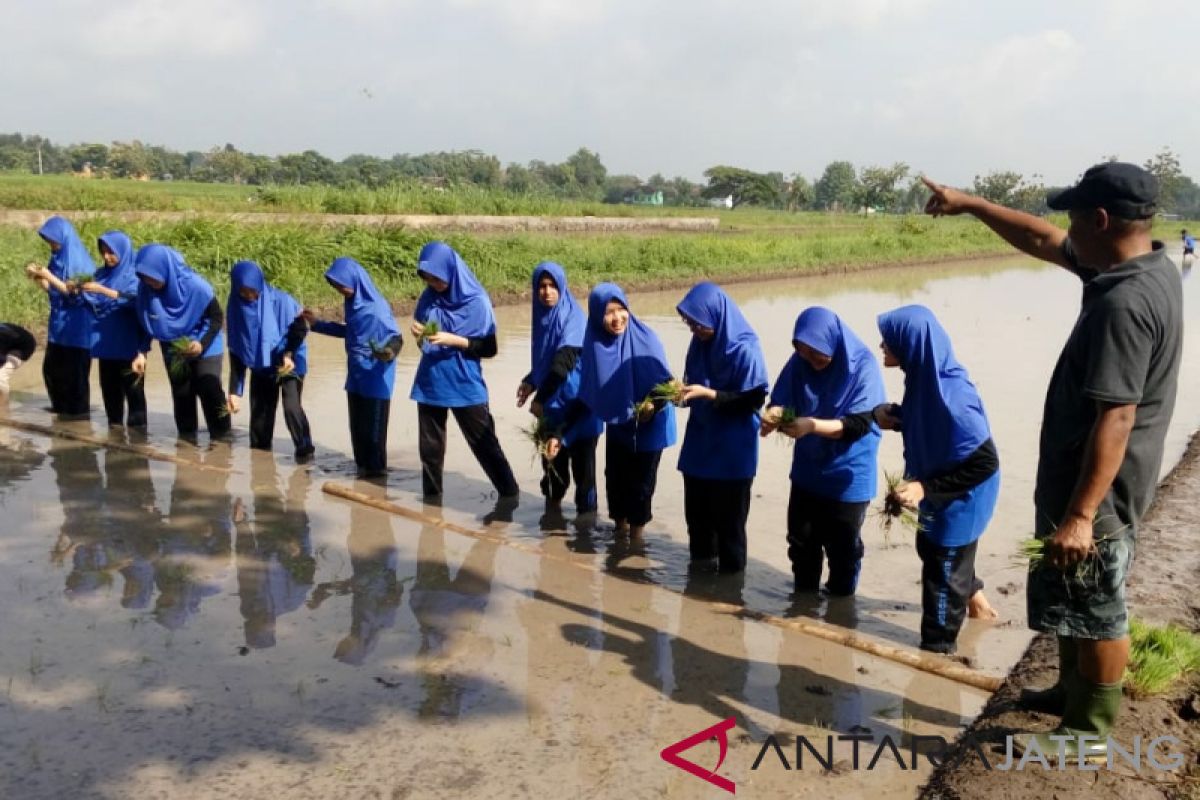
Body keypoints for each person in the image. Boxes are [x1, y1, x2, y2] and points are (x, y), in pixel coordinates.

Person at [922, 163, 1182, 760]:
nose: (1066, 230)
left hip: (1102, 490)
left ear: (1101, 220)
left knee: (1098, 605)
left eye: (1075, 217)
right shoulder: (1141, 267)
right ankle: (1071, 691)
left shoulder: (1126, 302)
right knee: (1076, 594)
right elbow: (1043, 240)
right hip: (1085, 479)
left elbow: (1116, 416)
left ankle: (1089, 731)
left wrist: (1083, 514)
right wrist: (973, 204)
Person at [875, 305, 1001, 654]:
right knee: (931, 550)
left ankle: (938, 649)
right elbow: (930, 426)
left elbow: (985, 462)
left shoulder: (954, 401)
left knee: (941, 578)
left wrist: (924, 488)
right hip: (937, 486)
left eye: (889, 341)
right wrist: (894, 417)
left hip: (962, 497)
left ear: (911, 345)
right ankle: (979, 607)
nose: (882, 346)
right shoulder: (923, 378)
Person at [760, 307, 884, 596]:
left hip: (848, 474)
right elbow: (780, 399)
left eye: (819, 356)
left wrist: (811, 425)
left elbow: (858, 424)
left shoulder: (861, 365)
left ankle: (841, 613)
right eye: (805, 354)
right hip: (808, 470)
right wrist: (774, 415)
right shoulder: (800, 361)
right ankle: (802, 603)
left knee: (843, 550)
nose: (812, 362)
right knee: (801, 542)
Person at [409, 242, 519, 500]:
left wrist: (454, 339)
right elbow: (424, 341)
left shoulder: (477, 302)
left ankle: (510, 497)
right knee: (430, 452)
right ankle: (432, 505)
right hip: (430, 382)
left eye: (438, 278)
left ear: (451, 271)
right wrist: (420, 335)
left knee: (485, 446)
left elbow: (489, 348)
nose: (433, 284)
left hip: (464, 384)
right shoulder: (428, 297)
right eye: (428, 279)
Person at [674, 282, 768, 574]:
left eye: (699, 324)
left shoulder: (745, 348)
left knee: (730, 527)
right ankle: (699, 588)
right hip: (700, 445)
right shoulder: (699, 343)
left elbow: (753, 399)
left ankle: (730, 596)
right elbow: (693, 383)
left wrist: (710, 394)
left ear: (717, 316)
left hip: (733, 451)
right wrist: (681, 394)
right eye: (690, 324)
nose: (695, 330)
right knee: (698, 522)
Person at [578, 283, 678, 538]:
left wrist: (651, 406)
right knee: (615, 479)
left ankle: (636, 541)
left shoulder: (647, 339)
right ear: (597, 315)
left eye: (621, 309)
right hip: (618, 422)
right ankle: (619, 534)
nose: (617, 318)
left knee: (641, 487)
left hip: (650, 425)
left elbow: (666, 385)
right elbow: (591, 387)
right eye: (608, 312)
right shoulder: (594, 344)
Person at [518, 262, 603, 515]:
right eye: (541, 286)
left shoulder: (574, 318)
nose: (547, 292)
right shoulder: (542, 318)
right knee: (553, 473)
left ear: (562, 287)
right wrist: (530, 381)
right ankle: (551, 523)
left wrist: (539, 399)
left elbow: (561, 365)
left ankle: (586, 532)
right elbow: (545, 362)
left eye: (553, 285)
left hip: (579, 408)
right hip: (551, 411)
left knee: (584, 477)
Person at [305, 257, 402, 478]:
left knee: (373, 436)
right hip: (356, 375)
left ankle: (376, 482)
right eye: (336, 286)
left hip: (375, 376)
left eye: (342, 285)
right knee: (357, 430)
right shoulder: (353, 304)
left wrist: (387, 353)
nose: (340, 289)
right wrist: (316, 324)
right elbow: (351, 332)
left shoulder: (376, 308)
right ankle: (362, 472)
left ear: (356, 281)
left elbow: (397, 337)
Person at [132, 243, 230, 438]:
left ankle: (222, 440)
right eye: (145, 278)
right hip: (172, 345)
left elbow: (217, 318)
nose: (150, 282)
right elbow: (146, 321)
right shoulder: (145, 290)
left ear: (165, 269)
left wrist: (201, 344)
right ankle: (186, 440)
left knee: (209, 388)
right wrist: (141, 352)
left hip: (204, 341)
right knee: (182, 393)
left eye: (153, 277)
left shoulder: (196, 286)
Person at [226, 260, 315, 461]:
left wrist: (289, 353)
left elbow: (300, 328)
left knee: (291, 407)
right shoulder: (235, 309)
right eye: (244, 293)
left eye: (253, 291)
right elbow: (237, 350)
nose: (250, 297)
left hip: (289, 361)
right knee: (260, 417)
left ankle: (305, 452)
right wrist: (234, 390)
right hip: (261, 365)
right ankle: (261, 462)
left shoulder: (282, 301)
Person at [24, 216, 96, 417]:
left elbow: (75, 291)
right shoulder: (57, 259)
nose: (51, 245)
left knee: (76, 376)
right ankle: (61, 410)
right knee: (52, 371)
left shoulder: (79, 262)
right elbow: (54, 290)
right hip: (59, 325)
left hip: (77, 327)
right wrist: (39, 278)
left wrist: (48, 276)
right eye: (48, 241)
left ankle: (79, 418)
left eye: (53, 241)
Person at [78, 230, 147, 428]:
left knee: (134, 397)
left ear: (123, 252)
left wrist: (103, 290)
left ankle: (139, 444)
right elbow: (94, 304)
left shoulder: (135, 277)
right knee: (110, 394)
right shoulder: (100, 275)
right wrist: (81, 290)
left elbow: (135, 302)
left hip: (130, 348)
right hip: (106, 345)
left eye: (111, 252)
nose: (107, 257)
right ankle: (114, 437)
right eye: (103, 252)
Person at [0, 322, 37, 404]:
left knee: (1, 375)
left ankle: (3, 406)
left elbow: (1, 360)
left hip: (23, 346)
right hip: (10, 340)